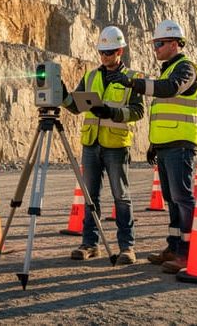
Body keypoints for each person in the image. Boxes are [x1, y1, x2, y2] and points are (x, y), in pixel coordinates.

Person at [106, 19, 197, 273]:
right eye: (154, 44)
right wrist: (153, 145)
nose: (155, 48)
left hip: (181, 143)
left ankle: (189, 251)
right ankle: (174, 246)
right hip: (165, 145)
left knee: (182, 197)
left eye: (159, 43)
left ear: (174, 43)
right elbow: (162, 111)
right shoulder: (168, 69)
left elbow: (169, 89)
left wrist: (133, 83)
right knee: (171, 199)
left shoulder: (186, 69)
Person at [62, 25, 144, 265]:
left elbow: (138, 111)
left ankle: (127, 247)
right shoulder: (90, 76)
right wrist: (63, 95)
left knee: (122, 197)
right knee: (90, 197)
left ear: (120, 51)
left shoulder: (132, 78)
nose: (105, 56)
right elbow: (76, 107)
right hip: (91, 143)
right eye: (102, 52)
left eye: (109, 52)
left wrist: (111, 112)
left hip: (116, 146)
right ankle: (90, 244)